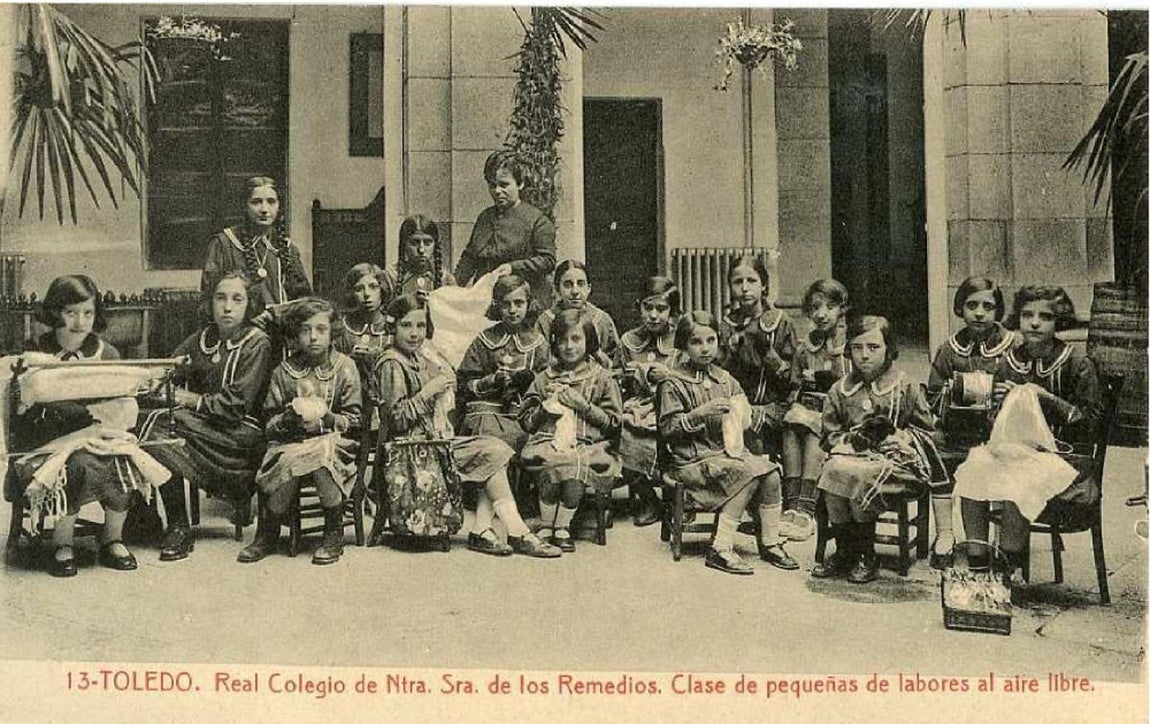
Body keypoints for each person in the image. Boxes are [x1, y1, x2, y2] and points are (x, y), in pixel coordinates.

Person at [375, 294, 559, 558]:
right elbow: (396, 420)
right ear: (393, 327)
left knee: (495, 448)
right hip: (410, 452)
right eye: (406, 326)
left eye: (419, 326)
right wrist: (430, 390)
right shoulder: (393, 363)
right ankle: (516, 532)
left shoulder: (417, 358)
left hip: (428, 443)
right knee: (491, 451)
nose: (414, 334)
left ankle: (485, 529)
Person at [958, 286, 1101, 583]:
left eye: (1045, 317)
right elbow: (993, 428)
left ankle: (1006, 566)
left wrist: (1045, 398)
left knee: (1017, 479)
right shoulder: (1010, 362)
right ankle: (977, 562)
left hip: (1066, 461)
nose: (1035, 323)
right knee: (973, 466)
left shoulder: (1076, 363)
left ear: (1059, 321)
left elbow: (1091, 424)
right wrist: (998, 404)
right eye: (1027, 315)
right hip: (1014, 453)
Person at [13, 276, 147, 576]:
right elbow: (23, 403)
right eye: (70, 312)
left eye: (87, 312)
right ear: (55, 312)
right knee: (76, 466)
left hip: (99, 434)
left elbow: (119, 401)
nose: (79, 321)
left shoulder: (107, 353)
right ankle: (63, 543)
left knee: (124, 458)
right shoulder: (35, 350)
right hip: (49, 439)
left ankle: (112, 538)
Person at [140, 272, 274, 562]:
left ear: (249, 305)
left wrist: (187, 399)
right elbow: (171, 367)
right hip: (202, 429)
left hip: (240, 438)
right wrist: (155, 379)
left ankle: (174, 524)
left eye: (237, 299)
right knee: (152, 425)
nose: (227, 307)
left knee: (162, 425)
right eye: (220, 298)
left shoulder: (256, 343)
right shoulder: (202, 338)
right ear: (210, 303)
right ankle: (161, 519)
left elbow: (235, 407)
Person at [657, 310, 797, 575]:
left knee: (771, 475)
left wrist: (744, 412)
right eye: (696, 342)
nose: (705, 348)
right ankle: (720, 548)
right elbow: (667, 429)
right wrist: (699, 414)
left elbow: (744, 415)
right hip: (691, 461)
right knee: (747, 474)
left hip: (726, 453)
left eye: (711, 341)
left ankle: (769, 542)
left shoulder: (725, 379)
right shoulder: (673, 382)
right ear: (685, 345)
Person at [812, 315, 944, 584]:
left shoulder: (905, 387)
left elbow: (929, 433)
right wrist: (850, 440)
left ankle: (865, 552)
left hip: (899, 468)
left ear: (888, 349)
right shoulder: (841, 390)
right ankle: (845, 548)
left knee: (859, 475)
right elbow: (828, 436)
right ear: (849, 350)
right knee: (834, 469)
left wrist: (901, 436)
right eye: (858, 348)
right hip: (853, 461)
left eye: (873, 347)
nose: (864, 355)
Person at [240, 298, 362, 566]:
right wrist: (288, 420)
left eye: (321, 329)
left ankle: (333, 532)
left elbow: (354, 420)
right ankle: (268, 533)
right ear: (295, 335)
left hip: (334, 443)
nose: (313, 337)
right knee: (290, 459)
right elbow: (269, 424)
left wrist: (325, 420)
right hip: (290, 443)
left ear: (332, 333)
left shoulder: (344, 368)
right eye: (305, 330)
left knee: (321, 453)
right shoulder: (283, 373)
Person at [925, 276, 1016, 569]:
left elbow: (1028, 394)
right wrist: (951, 393)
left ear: (998, 311)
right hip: (959, 432)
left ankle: (1002, 542)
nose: (979, 313)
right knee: (932, 448)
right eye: (971, 305)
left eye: (988, 306)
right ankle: (945, 534)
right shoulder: (949, 350)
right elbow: (932, 398)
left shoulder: (1013, 348)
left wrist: (1008, 394)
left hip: (999, 435)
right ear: (960, 309)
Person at [519, 309, 623, 552]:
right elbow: (526, 421)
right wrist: (545, 407)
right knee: (549, 460)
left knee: (575, 462)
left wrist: (584, 406)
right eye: (562, 339)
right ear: (554, 342)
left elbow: (615, 425)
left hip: (589, 444)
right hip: (548, 442)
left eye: (576, 339)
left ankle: (562, 525)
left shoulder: (603, 378)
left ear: (589, 341)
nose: (568, 346)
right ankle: (547, 524)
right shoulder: (544, 378)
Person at [779, 279, 851, 542]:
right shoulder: (805, 348)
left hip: (839, 414)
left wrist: (826, 376)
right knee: (790, 428)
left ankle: (806, 509)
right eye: (816, 307)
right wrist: (797, 395)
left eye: (830, 307)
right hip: (808, 407)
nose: (822, 314)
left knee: (813, 432)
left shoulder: (848, 347)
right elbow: (795, 383)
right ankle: (791, 505)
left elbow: (851, 385)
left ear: (842, 309)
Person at [200, 176, 312, 330]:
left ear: (279, 206)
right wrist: (248, 316)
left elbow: (305, 301)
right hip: (238, 334)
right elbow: (209, 299)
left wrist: (275, 313)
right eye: (256, 202)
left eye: (271, 202)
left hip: (281, 333)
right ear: (244, 206)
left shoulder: (288, 249)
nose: (264, 209)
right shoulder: (224, 244)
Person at [615, 276, 683, 526]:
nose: (654, 315)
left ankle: (677, 497)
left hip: (674, 405)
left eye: (661, 309)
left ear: (672, 311)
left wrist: (670, 376)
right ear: (638, 307)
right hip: (637, 405)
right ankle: (646, 497)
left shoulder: (683, 340)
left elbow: (695, 375)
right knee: (621, 430)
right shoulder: (628, 341)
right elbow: (615, 378)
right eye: (648, 307)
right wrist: (627, 375)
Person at [457, 274, 549, 453]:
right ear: (497, 306)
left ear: (528, 304)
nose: (513, 310)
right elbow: (463, 384)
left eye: (519, 303)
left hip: (525, 416)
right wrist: (491, 381)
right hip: (488, 414)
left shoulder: (539, 343)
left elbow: (548, 381)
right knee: (487, 436)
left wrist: (530, 381)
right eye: (506, 304)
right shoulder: (484, 340)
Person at [454, 151, 556, 306]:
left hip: (521, 303)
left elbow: (548, 260)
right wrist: (453, 285)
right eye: (492, 185)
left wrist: (512, 267)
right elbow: (470, 257)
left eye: (504, 185)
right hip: (485, 301)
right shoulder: (485, 218)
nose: (497, 191)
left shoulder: (538, 221)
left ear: (520, 184)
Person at [719, 254, 796, 457]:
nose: (744, 288)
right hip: (738, 404)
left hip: (776, 405)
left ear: (764, 285)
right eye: (738, 282)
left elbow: (792, 376)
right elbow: (720, 374)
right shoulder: (727, 325)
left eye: (751, 281)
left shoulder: (781, 322)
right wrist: (732, 352)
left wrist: (770, 355)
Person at [535, 259, 620, 368]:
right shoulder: (546, 321)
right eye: (568, 285)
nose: (575, 291)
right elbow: (540, 362)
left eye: (580, 284)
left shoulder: (601, 320)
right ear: (557, 289)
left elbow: (615, 363)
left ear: (589, 288)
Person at [332, 262, 394, 403]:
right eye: (359, 288)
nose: (367, 294)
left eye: (373, 287)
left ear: (382, 289)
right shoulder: (342, 328)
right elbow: (328, 370)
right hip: (348, 402)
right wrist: (349, 360)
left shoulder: (392, 327)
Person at [386, 214, 456, 299]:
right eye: (414, 243)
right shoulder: (390, 278)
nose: (421, 250)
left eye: (427, 243)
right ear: (404, 245)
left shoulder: (445, 279)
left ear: (435, 245)